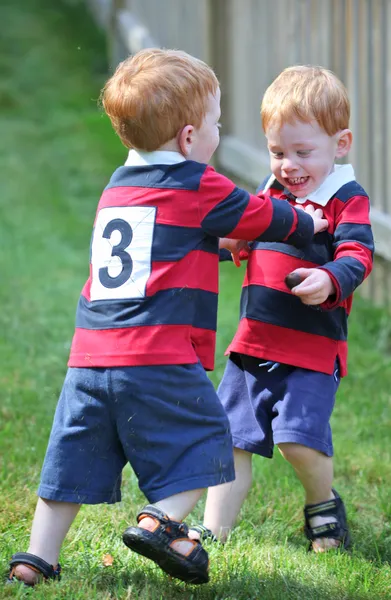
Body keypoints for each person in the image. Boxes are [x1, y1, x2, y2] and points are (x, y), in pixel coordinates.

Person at [7, 51, 327, 587]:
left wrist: (222, 246)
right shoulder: (200, 184)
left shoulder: (118, 187)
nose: (218, 135)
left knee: (74, 457)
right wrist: (306, 223)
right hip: (157, 354)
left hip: (90, 357)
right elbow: (262, 215)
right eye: (216, 125)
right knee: (208, 437)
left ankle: (35, 558)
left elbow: (172, 248)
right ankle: (162, 520)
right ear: (187, 137)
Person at [190, 65, 374, 553]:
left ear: (341, 144)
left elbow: (358, 255)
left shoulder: (345, 200)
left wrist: (330, 278)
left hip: (312, 350)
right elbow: (247, 234)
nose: (288, 165)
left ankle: (321, 504)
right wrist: (229, 240)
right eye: (277, 152)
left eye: (302, 152)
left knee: (298, 440)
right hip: (254, 342)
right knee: (230, 440)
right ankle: (215, 532)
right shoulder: (271, 194)